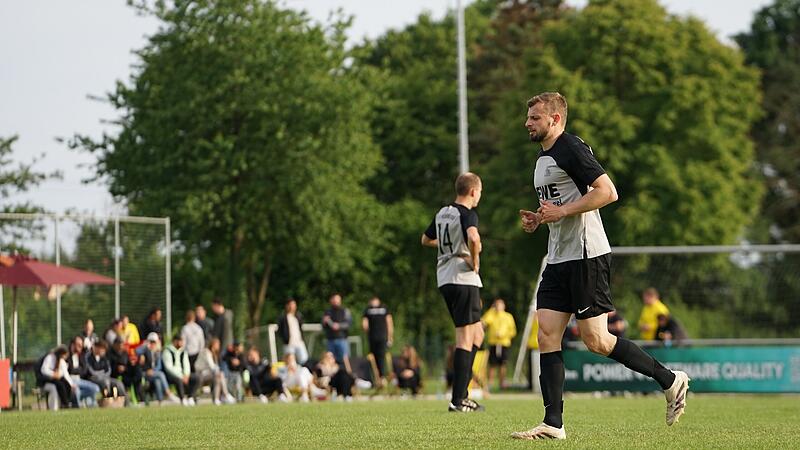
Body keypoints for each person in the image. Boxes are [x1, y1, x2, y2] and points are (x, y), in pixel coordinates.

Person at [513, 92, 689, 440]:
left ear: (555, 119)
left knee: (597, 340)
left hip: (586, 255)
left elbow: (607, 192)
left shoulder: (571, 148)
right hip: (558, 256)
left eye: (535, 117)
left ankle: (671, 380)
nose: (527, 122)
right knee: (546, 332)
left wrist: (560, 212)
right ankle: (553, 424)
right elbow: (560, 204)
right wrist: (539, 218)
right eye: (528, 117)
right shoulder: (543, 157)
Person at [421, 171, 486, 412]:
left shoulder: (442, 212)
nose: (479, 196)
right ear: (472, 191)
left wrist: (449, 248)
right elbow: (474, 238)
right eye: (479, 192)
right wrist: (474, 260)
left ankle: (462, 393)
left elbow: (425, 240)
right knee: (465, 338)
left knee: (478, 334)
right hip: (463, 278)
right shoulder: (467, 213)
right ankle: (458, 400)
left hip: (445, 277)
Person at [482, 298, 517, 390]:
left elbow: (513, 331)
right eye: (496, 305)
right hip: (493, 343)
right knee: (492, 364)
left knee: (503, 364)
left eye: (500, 305)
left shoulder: (508, 316)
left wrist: (504, 335)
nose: (498, 307)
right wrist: (490, 310)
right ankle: (490, 384)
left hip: (504, 343)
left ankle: (502, 383)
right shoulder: (492, 315)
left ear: (504, 306)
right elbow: (484, 321)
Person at [195, 337, 236, 405]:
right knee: (219, 374)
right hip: (200, 374)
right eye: (217, 344)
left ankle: (217, 399)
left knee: (218, 377)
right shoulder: (206, 352)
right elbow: (212, 366)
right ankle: (226, 395)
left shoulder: (214, 354)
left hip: (209, 374)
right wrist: (219, 371)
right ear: (213, 344)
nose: (218, 346)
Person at [362, 296, 393, 383]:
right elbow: (365, 324)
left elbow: (389, 322)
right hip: (372, 338)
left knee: (381, 357)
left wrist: (390, 337)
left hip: (382, 337)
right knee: (373, 358)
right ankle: (375, 378)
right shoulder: (368, 310)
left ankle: (382, 377)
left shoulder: (384, 308)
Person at [137, 332, 175, 404]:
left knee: (158, 380)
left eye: (154, 342)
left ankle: (160, 401)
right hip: (144, 374)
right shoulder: (144, 350)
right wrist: (144, 349)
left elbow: (159, 366)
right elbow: (137, 351)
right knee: (161, 375)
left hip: (154, 373)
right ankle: (168, 393)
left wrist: (153, 371)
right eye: (151, 342)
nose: (152, 344)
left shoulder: (158, 352)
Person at [162, 334, 198, 406]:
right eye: (180, 341)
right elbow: (169, 367)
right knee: (178, 380)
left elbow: (186, 364)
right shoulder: (167, 351)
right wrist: (181, 376)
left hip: (183, 375)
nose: (182, 343)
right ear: (175, 341)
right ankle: (182, 399)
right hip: (171, 375)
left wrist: (186, 375)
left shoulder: (183, 352)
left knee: (197, 377)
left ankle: (190, 397)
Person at [37, 345, 75, 410]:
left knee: (66, 384)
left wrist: (71, 384)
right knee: (60, 385)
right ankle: (62, 405)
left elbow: (65, 374)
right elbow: (44, 370)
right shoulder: (50, 357)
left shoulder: (61, 361)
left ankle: (66, 403)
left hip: (56, 380)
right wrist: (53, 374)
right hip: (46, 380)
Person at [66, 336, 100, 407]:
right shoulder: (67, 356)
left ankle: (92, 408)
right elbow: (69, 371)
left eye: (81, 345)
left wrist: (75, 370)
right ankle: (78, 409)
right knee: (76, 391)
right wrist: (78, 369)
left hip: (79, 380)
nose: (80, 347)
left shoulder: (81, 356)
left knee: (95, 389)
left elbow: (84, 370)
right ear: (73, 345)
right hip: (70, 380)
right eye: (78, 345)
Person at [322, 294, 352, 364]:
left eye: (337, 299)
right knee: (331, 361)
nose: (335, 301)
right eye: (334, 299)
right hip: (330, 340)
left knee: (345, 361)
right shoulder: (327, 312)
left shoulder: (345, 311)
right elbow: (323, 326)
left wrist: (339, 326)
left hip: (342, 339)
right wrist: (324, 321)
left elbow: (348, 324)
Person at [277, 298, 308, 365]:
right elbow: (280, 330)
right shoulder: (283, 317)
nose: (292, 306)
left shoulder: (298, 316)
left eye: (293, 304)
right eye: (290, 305)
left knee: (304, 360)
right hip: (289, 343)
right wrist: (285, 339)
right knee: (290, 363)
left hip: (299, 342)